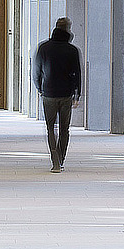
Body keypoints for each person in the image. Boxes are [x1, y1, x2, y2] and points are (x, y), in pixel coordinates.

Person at [33, 17, 82, 173]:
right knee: (64, 129)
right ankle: (61, 159)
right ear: (68, 29)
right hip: (66, 94)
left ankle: (54, 160)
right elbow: (77, 74)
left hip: (48, 93)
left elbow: (36, 72)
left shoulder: (44, 48)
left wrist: (40, 89)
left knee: (50, 128)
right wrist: (77, 94)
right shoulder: (72, 50)